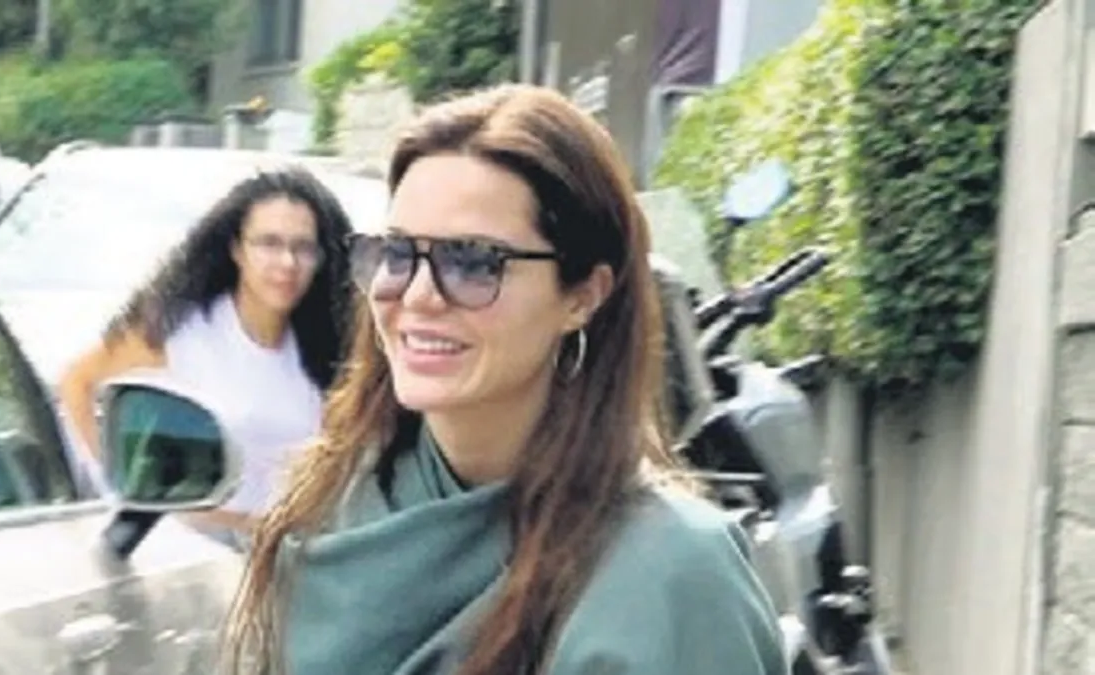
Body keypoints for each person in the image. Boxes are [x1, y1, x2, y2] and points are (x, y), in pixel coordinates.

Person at [224, 85, 786, 674]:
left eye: (473, 262)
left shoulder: (669, 575)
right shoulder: (330, 509)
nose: (417, 295)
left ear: (583, 295)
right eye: (398, 253)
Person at [57, 167, 354, 543]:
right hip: (197, 556)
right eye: (269, 243)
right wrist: (130, 491)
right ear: (236, 249)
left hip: (292, 556)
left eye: (304, 248)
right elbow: (78, 383)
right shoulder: (182, 330)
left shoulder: (327, 348)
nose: (287, 263)